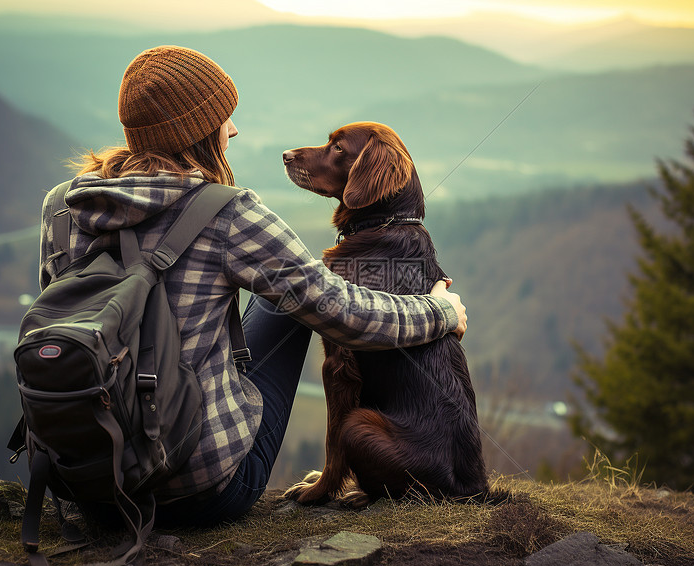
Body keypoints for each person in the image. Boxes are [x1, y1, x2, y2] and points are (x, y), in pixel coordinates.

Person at [40, 45, 468, 527]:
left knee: (289, 293)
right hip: (201, 491)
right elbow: (341, 311)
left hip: (87, 486)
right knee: (296, 300)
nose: (234, 129)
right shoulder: (227, 212)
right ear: (197, 133)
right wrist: (442, 311)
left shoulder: (62, 204)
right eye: (224, 118)